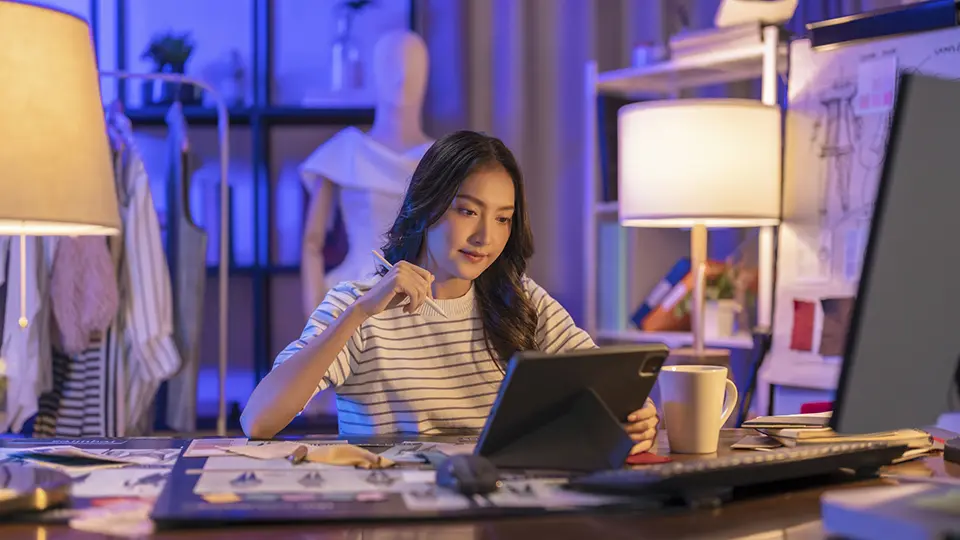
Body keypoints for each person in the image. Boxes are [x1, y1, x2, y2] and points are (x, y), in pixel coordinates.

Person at [242, 131, 659, 455]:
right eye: (468, 211)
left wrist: (636, 414)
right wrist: (359, 314)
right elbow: (258, 421)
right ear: (426, 206)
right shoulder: (360, 304)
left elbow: (607, 384)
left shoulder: (524, 301)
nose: (485, 237)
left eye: (503, 219)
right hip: (389, 513)